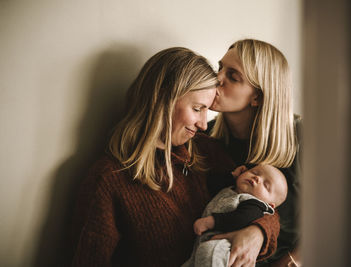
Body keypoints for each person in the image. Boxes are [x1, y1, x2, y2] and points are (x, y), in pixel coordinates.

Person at [69, 47, 280, 267]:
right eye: (198, 109)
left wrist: (259, 233)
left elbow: (264, 203)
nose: (203, 124)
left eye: (207, 111)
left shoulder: (204, 151)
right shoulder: (108, 179)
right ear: (163, 101)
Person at [206, 39, 302, 267]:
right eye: (220, 69)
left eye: (233, 76)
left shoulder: (301, 137)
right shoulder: (207, 137)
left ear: (257, 96)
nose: (216, 79)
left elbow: (332, 217)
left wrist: (290, 262)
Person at [184, 163, 288, 267]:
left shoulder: (255, 206)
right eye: (254, 172)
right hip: (203, 244)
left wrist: (211, 222)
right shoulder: (231, 189)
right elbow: (210, 183)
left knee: (207, 252)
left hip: (225, 246)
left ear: (269, 205)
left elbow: (240, 219)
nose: (257, 178)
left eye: (266, 185)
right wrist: (232, 175)